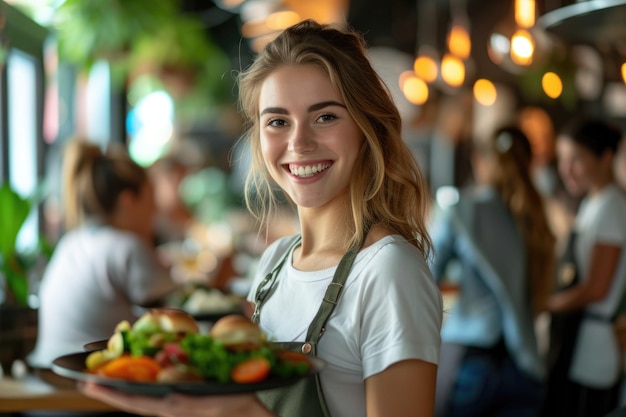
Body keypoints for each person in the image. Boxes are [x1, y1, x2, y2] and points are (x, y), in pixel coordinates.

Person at [80, 19, 443, 417]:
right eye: (277, 121)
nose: (299, 143)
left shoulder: (388, 271)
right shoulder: (274, 263)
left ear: (366, 126)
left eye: (325, 117)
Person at [429, 126, 556, 417]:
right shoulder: (538, 220)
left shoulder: (463, 210)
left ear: (481, 160)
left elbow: (424, 277)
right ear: (530, 163)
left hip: (472, 359)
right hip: (526, 364)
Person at [28, 139, 179, 369]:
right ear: (128, 201)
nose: (155, 211)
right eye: (150, 200)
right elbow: (177, 319)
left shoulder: (70, 242)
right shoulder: (127, 246)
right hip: (86, 390)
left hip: (46, 377)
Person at [542, 118, 626, 417]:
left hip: (594, 347)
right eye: (562, 159)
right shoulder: (593, 203)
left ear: (605, 158)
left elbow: (596, 288)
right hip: (581, 340)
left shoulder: (612, 208)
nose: (566, 170)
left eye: (576, 159)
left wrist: (546, 305)